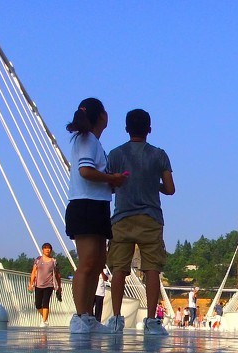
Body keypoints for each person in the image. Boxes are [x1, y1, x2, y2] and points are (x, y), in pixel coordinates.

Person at [106, 108, 175, 336]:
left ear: (126, 129)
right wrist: (151, 183)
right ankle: (151, 321)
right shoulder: (159, 155)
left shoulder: (115, 155)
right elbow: (170, 189)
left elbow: (110, 185)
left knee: (119, 269)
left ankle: (116, 318)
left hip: (122, 217)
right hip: (151, 218)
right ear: (149, 129)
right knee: (152, 269)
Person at [64, 98, 128, 334]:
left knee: (98, 262)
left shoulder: (92, 141)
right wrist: (112, 179)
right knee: (88, 262)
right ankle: (80, 316)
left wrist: (110, 182)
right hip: (85, 205)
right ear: (101, 116)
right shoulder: (88, 140)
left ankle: (88, 316)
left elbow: (91, 173)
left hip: (97, 204)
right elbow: (85, 171)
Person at [28, 242, 62, 326]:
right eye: (46, 248)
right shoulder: (38, 260)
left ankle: (43, 321)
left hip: (49, 285)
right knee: (38, 304)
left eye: (49, 248)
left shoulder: (53, 261)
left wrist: (59, 286)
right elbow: (33, 272)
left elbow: (58, 275)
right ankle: (45, 318)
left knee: (46, 302)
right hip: (38, 284)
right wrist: (30, 284)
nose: (48, 249)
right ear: (42, 250)